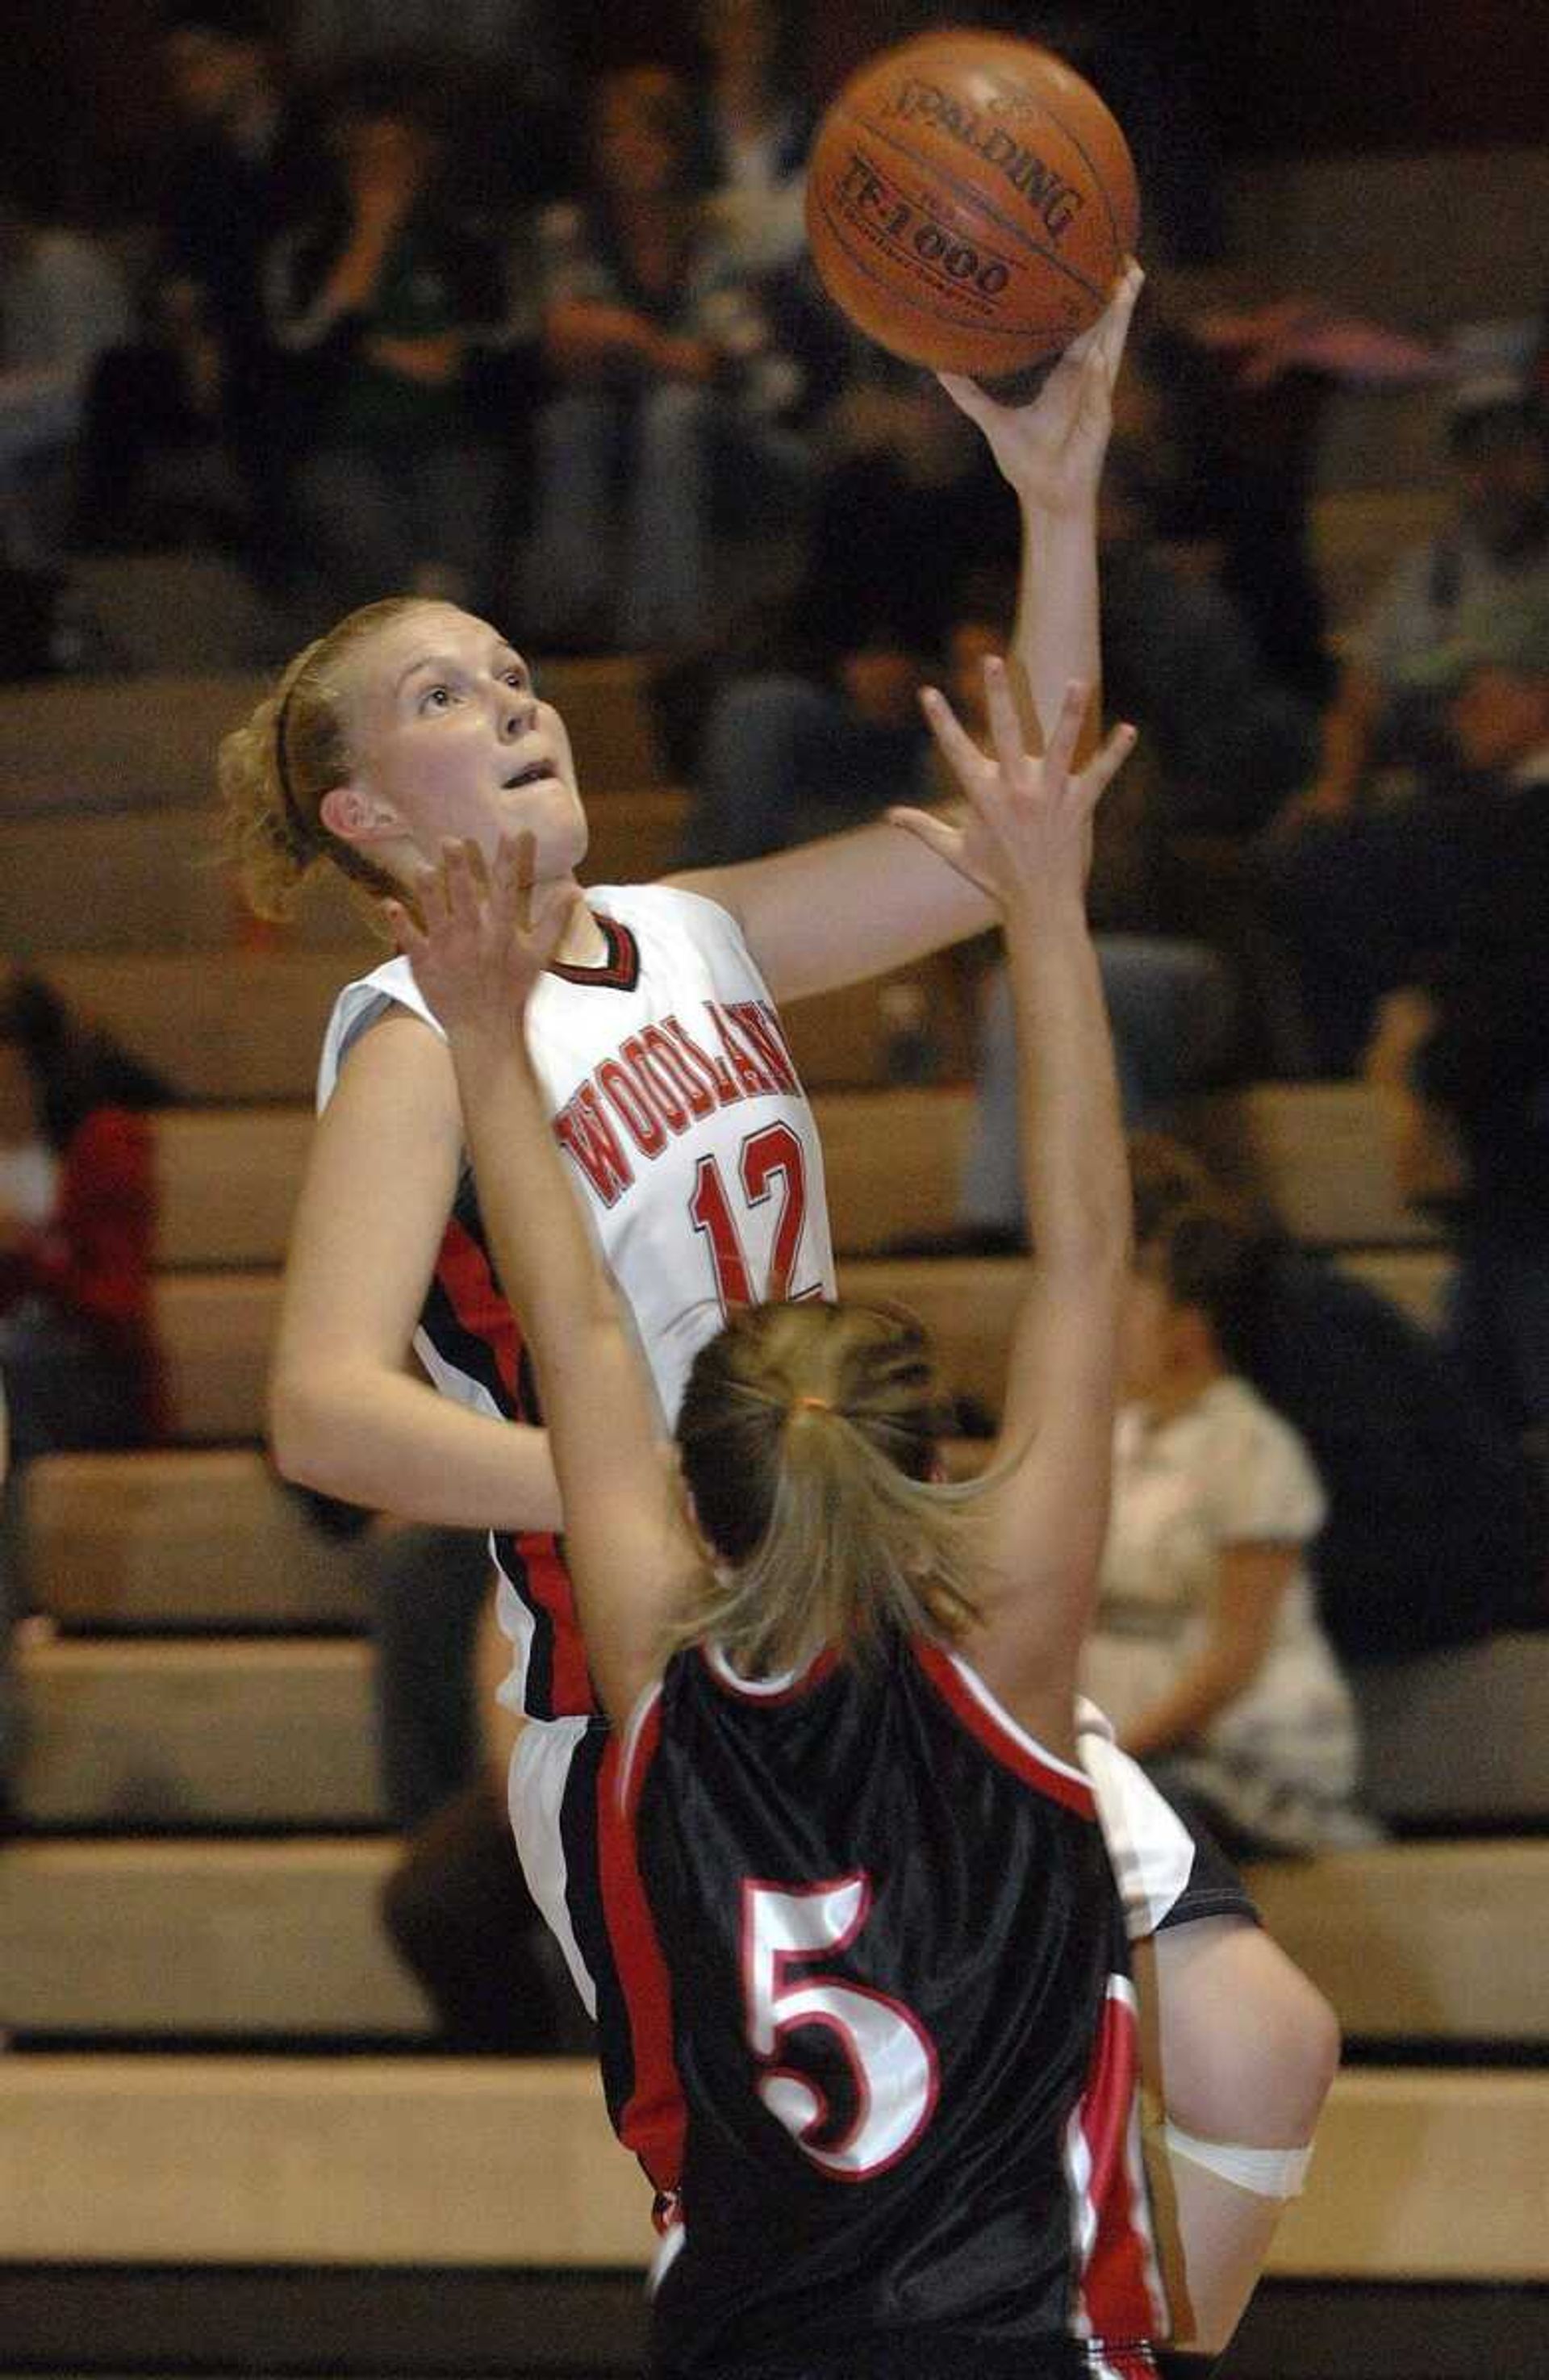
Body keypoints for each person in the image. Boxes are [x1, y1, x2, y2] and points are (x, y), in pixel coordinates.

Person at [224, 265, 1335, 2367]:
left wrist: (1060, 503)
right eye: (444, 695)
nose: (514, 696)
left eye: (515, 667)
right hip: (669, 1680)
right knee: (790, 2215)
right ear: (368, 817)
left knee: (1262, 2041)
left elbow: (1034, 823)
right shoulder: (404, 1036)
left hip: (871, 1596)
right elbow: (323, 1408)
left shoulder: (692, 927)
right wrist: (670, 1483)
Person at [387, 674, 1166, 2377]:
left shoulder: (664, 1657)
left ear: (699, 1504)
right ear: (931, 1465)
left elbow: (580, 1331)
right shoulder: (1014, 1656)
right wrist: (1043, 899)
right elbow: (1093, 1245)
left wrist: (477, 1034)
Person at [1085, 1197, 1373, 1858]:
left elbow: (1235, 1657)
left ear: (1187, 1329)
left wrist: (1113, 1753)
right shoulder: (1116, 1436)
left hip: (1234, 1744)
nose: (1116, 1327)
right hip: (1120, 1729)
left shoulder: (1254, 1447)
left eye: (1134, 1309)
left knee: (1122, 1825)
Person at [522, 63, 817, 654]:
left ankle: (660, 636)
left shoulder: (723, 232)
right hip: (621, 431)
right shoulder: (571, 231)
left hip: (745, 439)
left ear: (679, 147)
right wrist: (659, 349)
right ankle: (571, 619)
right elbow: (563, 346)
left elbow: (732, 363)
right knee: (571, 421)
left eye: (648, 134)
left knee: (675, 412)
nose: (632, 149)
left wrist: (629, 336)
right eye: (614, 135)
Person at [264, 65, 509, 626]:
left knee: (464, 514)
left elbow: (468, 364)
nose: (383, 171)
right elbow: (307, 357)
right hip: (341, 444)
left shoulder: (465, 248)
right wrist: (371, 234)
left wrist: (369, 347)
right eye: (367, 158)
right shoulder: (306, 253)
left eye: (398, 155)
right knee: (351, 511)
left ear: (425, 161)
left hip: (454, 438)